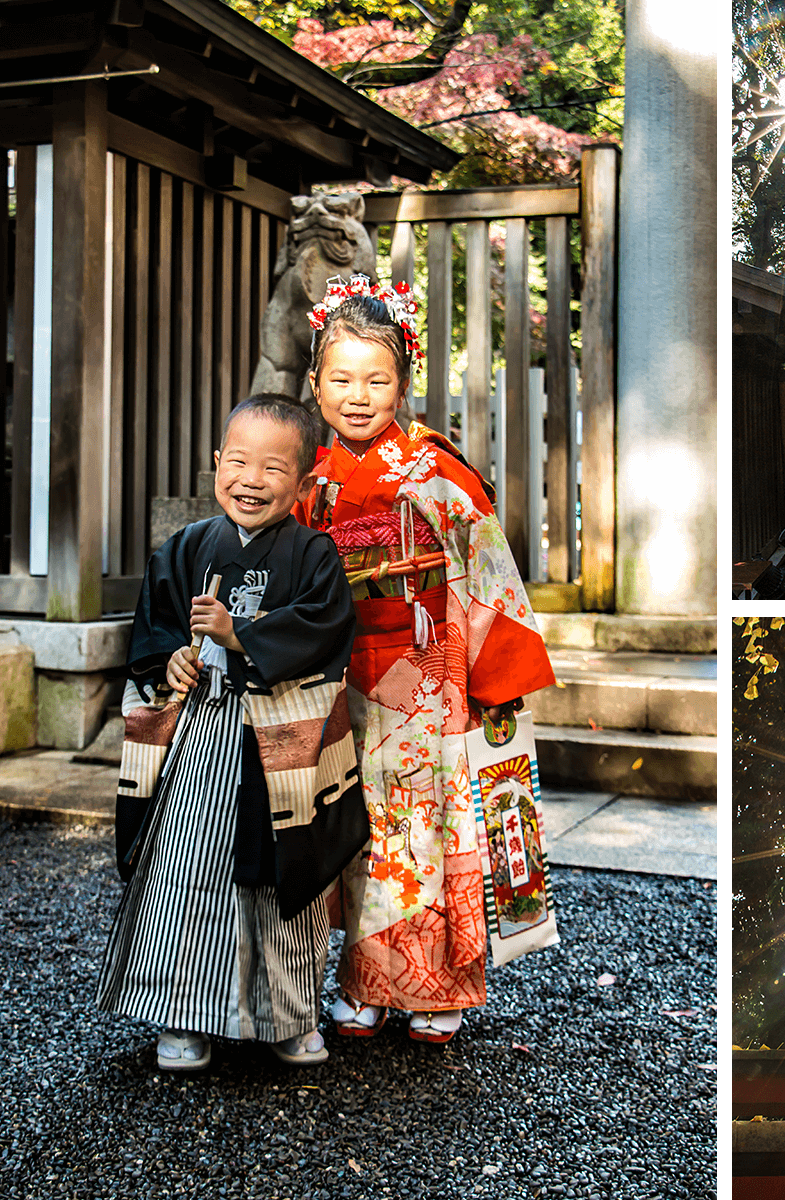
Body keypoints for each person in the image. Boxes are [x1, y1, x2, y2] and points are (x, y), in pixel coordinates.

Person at [293, 274, 557, 1044]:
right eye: (340, 378)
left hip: (428, 673)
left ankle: (436, 987)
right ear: (313, 384)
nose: (358, 394)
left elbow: (487, 575)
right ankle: (365, 983)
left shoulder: (434, 473)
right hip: (344, 680)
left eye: (377, 378)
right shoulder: (313, 486)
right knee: (359, 833)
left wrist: (497, 681)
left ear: (404, 383)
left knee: (430, 829)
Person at [95, 394, 367, 1071]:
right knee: (186, 873)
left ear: (305, 484)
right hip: (202, 740)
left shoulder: (314, 555)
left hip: (278, 746)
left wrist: (240, 634)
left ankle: (287, 1016)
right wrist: (173, 661)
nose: (251, 479)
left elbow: (325, 631)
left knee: (281, 879)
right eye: (238, 461)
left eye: (273, 468)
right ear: (216, 464)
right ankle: (182, 1015)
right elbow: (155, 632)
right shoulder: (185, 548)